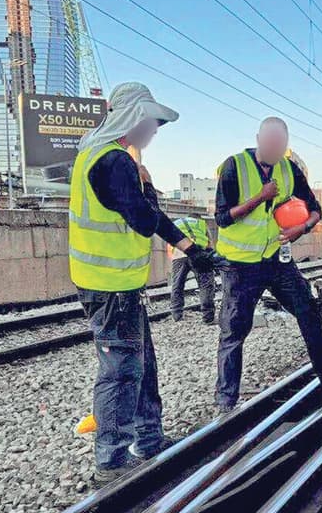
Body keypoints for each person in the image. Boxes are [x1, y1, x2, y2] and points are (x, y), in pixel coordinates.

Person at [68, 82, 217, 483]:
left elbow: (150, 218)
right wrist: (147, 184)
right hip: (109, 285)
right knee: (121, 369)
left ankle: (149, 439)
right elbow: (145, 218)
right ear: (132, 117)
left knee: (142, 364)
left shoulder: (96, 154)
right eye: (152, 121)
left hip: (118, 285)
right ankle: (112, 461)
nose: (155, 130)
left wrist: (192, 248)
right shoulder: (113, 161)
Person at [214, 117, 322, 412]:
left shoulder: (288, 168)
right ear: (258, 138)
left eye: (280, 144)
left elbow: (315, 210)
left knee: (309, 311)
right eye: (270, 142)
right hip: (240, 265)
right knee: (233, 331)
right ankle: (225, 404)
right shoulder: (234, 167)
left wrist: (303, 228)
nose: (275, 148)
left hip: (276, 260)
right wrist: (260, 197)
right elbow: (222, 217)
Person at [169, 215, 216, 324]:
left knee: (177, 284)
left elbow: (169, 243)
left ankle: (176, 315)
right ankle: (208, 317)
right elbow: (210, 244)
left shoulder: (176, 223)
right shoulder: (201, 223)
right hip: (199, 254)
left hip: (179, 254)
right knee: (205, 284)